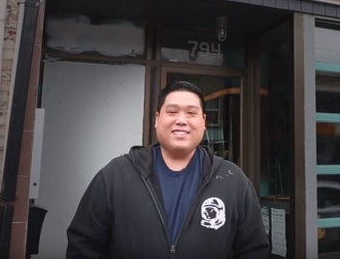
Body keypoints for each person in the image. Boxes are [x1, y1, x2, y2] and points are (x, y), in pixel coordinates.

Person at [67, 81, 270, 258]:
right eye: (172, 112)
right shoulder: (115, 176)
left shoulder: (233, 180)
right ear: (157, 119)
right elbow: (83, 245)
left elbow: (254, 249)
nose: (181, 120)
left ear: (204, 122)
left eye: (191, 113)